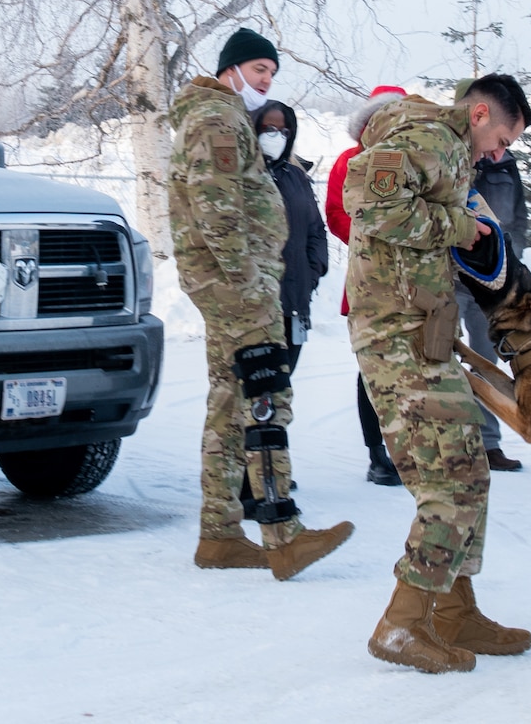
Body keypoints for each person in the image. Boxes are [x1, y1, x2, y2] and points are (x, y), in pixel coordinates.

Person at [347, 72, 531, 673]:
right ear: (481, 114)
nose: (500, 154)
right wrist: (457, 226)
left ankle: (453, 611)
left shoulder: (451, 148)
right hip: (394, 337)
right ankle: (402, 624)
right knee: (454, 481)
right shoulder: (429, 134)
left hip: (420, 330)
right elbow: (366, 198)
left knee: (466, 468)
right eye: (503, 139)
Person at [167, 28, 353, 579]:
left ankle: (219, 533)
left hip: (228, 286)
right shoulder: (219, 120)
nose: (265, 81)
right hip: (238, 289)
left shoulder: (217, 117)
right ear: (229, 71)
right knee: (266, 394)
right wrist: (249, 282)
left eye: (271, 73)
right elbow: (217, 208)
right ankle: (283, 534)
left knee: (229, 401)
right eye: (257, 70)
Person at [327, 85, 407, 487]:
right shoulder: (349, 161)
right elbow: (335, 214)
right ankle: (378, 452)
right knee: (371, 370)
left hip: (414, 287)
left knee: (412, 370)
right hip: (367, 282)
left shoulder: (417, 159)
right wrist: (370, 237)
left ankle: (409, 449)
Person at [459, 79, 529, 472]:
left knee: (487, 361)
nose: (499, 149)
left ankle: (488, 443)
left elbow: (517, 217)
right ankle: (456, 445)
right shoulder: (457, 157)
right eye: (500, 139)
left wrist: (510, 261)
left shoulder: (504, 162)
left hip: (490, 284)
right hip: (453, 281)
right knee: (442, 359)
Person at [253, 100, 330, 370]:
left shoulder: (296, 177)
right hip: (257, 311)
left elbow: (316, 230)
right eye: (269, 128)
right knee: (259, 396)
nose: (277, 136)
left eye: (284, 131)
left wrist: (312, 272)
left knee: (283, 386)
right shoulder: (243, 177)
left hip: (294, 304)